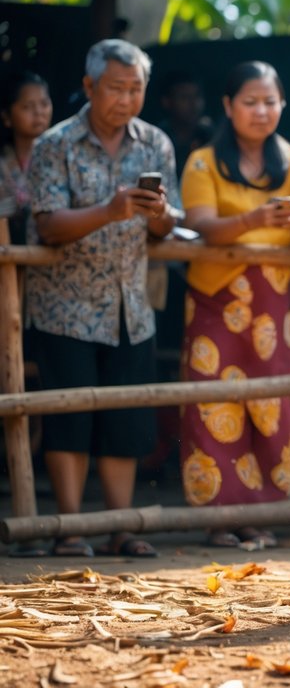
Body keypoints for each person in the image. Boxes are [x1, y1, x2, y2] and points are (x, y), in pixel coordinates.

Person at [25, 39, 177, 558]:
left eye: (136, 88)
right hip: (65, 307)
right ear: (89, 87)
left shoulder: (155, 142)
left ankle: (122, 526)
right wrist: (109, 211)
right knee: (69, 419)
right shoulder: (55, 144)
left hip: (130, 307)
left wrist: (160, 217)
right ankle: (69, 528)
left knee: (126, 420)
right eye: (116, 87)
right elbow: (45, 224)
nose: (127, 98)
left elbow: (166, 226)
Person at [178, 61, 290, 547]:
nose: (261, 111)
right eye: (250, 101)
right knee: (212, 401)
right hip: (214, 299)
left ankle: (261, 515)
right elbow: (201, 223)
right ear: (228, 106)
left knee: (271, 404)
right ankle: (219, 517)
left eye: (270, 101)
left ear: (283, 104)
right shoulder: (203, 161)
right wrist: (256, 218)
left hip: (271, 303)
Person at [0, 71, 53, 242]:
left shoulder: (63, 156)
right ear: (7, 117)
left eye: (44, 104)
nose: (39, 112)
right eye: (27, 107)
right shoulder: (3, 163)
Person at [156, 70, 213, 177]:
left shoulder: (211, 136)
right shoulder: (157, 139)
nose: (193, 104)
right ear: (167, 102)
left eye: (197, 96)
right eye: (184, 97)